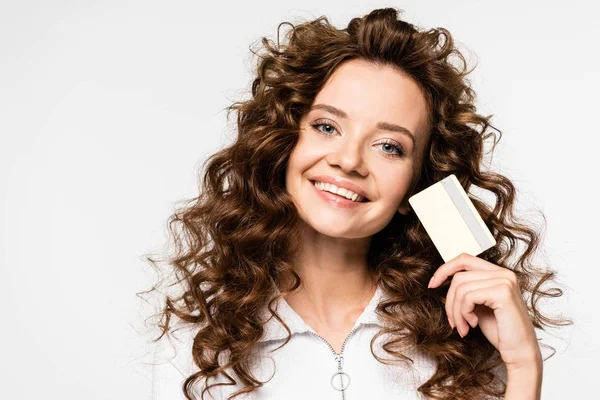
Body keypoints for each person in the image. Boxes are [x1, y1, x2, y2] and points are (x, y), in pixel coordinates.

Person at [142, 7, 571, 400]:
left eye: (389, 146)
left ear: (416, 187)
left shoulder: (460, 340)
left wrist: (521, 364)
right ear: (284, 143)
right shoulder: (200, 339)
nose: (348, 160)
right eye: (327, 126)